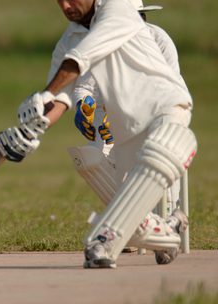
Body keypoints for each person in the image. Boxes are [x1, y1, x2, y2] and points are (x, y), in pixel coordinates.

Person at [0, 0, 196, 269]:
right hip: (126, 132)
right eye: (59, 0)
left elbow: (80, 60)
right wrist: (31, 129)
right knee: (134, 211)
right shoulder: (67, 42)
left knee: (160, 155)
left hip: (165, 107)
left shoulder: (118, 8)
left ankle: (103, 241)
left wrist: (45, 94)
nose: (66, 6)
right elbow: (61, 98)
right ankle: (168, 229)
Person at [68, 0, 187, 262]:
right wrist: (84, 107)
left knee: (157, 167)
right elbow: (84, 86)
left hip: (157, 116)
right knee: (95, 163)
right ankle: (160, 231)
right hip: (117, 126)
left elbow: (169, 84)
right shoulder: (104, 39)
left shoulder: (158, 38)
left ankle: (166, 220)